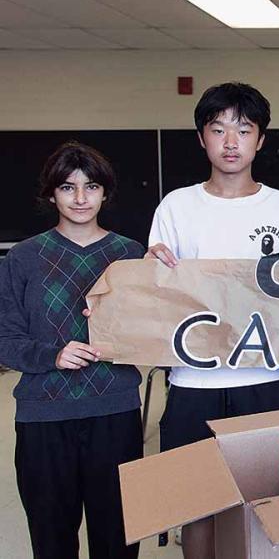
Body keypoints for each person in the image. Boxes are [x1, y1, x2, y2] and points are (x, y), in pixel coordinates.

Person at [146, 82, 279, 557]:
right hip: (194, 378)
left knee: (265, 502)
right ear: (202, 138)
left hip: (268, 376)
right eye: (218, 130)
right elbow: (159, 295)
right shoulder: (176, 206)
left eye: (243, 129)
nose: (231, 142)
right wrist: (151, 265)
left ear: (261, 139)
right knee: (197, 503)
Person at [0, 142, 145, 558]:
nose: (80, 199)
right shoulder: (24, 258)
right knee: (51, 537)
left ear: (105, 193)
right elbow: (5, 340)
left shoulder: (129, 254)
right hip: (44, 416)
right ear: (51, 194)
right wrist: (53, 355)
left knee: (117, 536)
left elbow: (151, 328)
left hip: (113, 413)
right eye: (68, 187)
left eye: (91, 187)